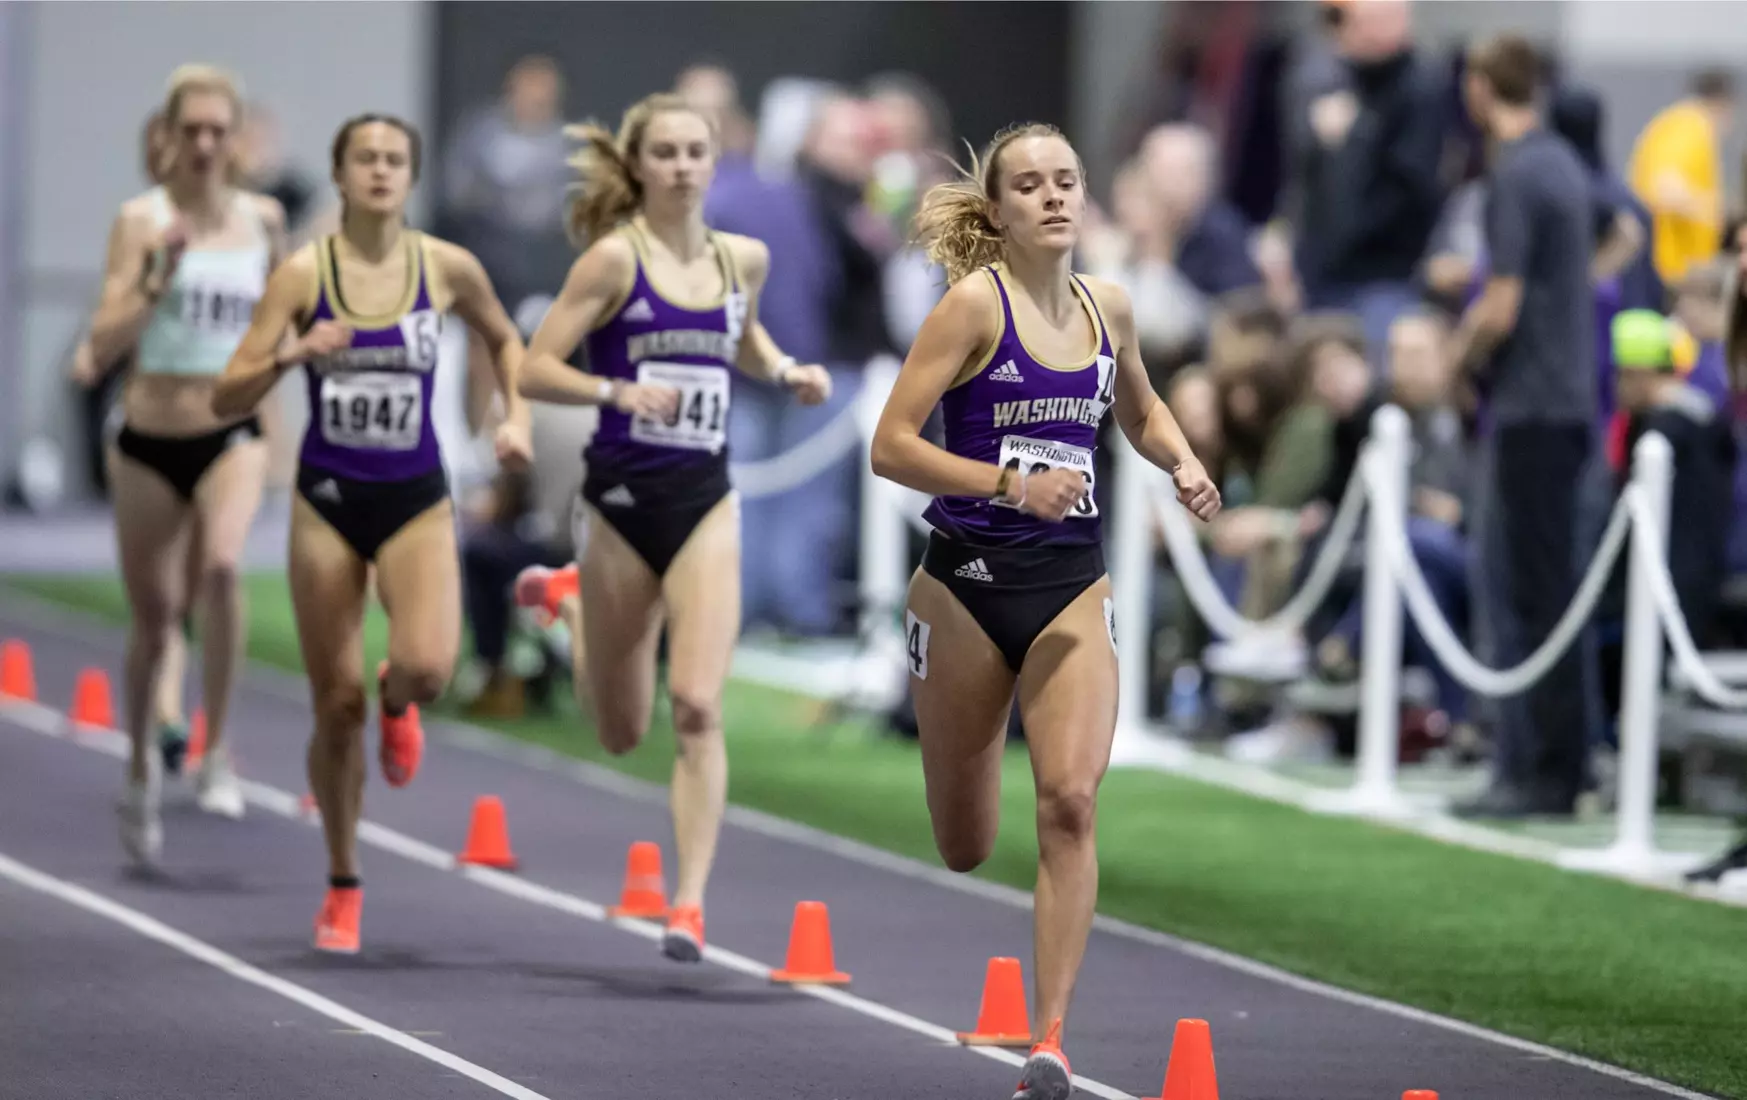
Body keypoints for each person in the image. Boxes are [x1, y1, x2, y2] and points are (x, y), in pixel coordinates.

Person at [868, 121, 1220, 1099]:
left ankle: (1050, 1040)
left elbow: (1138, 409)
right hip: (965, 587)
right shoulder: (970, 308)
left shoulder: (1112, 306)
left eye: (1067, 180)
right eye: (1029, 185)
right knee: (965, 842)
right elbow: (890, 446)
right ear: (998, 210)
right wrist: (1008, 481)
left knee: (1069, 802)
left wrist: (1182, 459)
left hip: (1071, 582)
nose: (1054, 196)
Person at [511, 92, 831, 964]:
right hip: (619, 503)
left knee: (694, 704)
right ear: (638, 166)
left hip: (703, 500)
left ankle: (688, 905)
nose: (684, 167)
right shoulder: (614, 262)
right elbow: (534, 368)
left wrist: (785, 370)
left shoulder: (742, 258)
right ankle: (574, 605)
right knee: (618, 731)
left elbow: (742, 337)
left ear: (715, 161)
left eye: (696, 151)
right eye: (666, 153)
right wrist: (614, 390)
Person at [212, 113, 534, 954]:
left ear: (410, 176)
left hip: (414, 495)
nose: (381, 171)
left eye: (395, 159)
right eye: (366, 158)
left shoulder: (445, 267)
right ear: (340, 174)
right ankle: (343, 879)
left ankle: (401, 701)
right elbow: (227, 393)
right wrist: (292, 355)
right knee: (335, 703)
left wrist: (516, 419)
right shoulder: (303, 273)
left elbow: (505, 338)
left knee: (428, 667)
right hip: (327, 497)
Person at [84, 65, 289, 863]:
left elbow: (277, 326)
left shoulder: (262, 221)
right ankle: (139, 766)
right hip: (148, 435)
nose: (204, 144)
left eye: (217, 130)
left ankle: (216, 748)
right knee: (155, 617)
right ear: (169, 135)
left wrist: (279, 411)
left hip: (230, 431)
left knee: (226, 569)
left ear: (235, 138)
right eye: (191, 130)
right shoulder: (140, 220)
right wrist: (155, 280)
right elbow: (104, 340)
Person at [1449, 35, 1599, 819]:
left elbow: (1498, 304)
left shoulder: (1513, 172)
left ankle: (1534, 771)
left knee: (1522, 597)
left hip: (1529, 409)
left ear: (1481, 88)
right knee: (1554, 593)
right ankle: (1564, 766)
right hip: (1567, 403)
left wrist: (1455, 355)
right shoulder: (1564, 163)